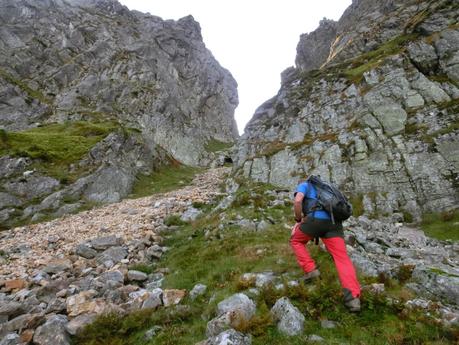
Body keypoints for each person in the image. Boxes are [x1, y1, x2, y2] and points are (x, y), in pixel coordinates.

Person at [290, 178, 361, 312]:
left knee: (296, 240)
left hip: (316, 220)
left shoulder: (304, 185)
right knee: (342, 259)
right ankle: (353, 299)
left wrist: (298, 220)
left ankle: (311, 270)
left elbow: (298, 201)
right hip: (335, 224)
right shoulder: (327, 190)